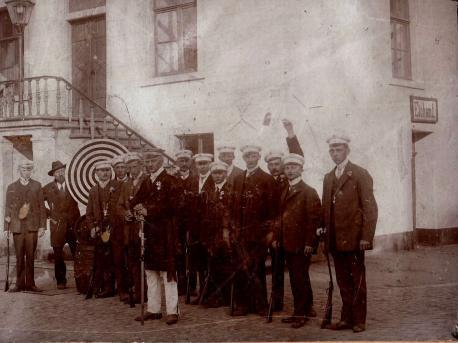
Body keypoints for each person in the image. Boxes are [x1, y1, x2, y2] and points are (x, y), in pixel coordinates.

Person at [321, 134, 378, 333]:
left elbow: (370, 208)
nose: (335, 154)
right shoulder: (328, 177)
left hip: (354, 239)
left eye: (339, 150)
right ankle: (346, 318)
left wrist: (366, 237)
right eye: (332, 150)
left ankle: (359, 320)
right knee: (342, 280)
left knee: (357, 280)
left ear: (347, 150)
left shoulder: (360, 174)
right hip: (335, 239)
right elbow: (325, 208)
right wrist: (324, 232)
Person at [130, 148, 180, 325]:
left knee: (167, 273)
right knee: (150, 272)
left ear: (160, 160)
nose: (150, 164)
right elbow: (135, 200)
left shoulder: (170, 180)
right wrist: (136, 207)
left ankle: (172, 311)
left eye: (152, 161)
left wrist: (148, 210)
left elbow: (173, 206)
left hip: (165, 232)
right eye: (147, 162)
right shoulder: (147, 181)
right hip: (149, 233)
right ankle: (154, 309)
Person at [271, 153, 321, 328]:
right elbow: (280, 218)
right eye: (288, 167)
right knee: (295, 277)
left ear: (301, 169)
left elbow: (313, 219)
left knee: (300, 277)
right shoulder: (286, 190)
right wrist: (277, 237)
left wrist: (310, 243)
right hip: (287, 242)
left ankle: (301, 313)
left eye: (294, 167)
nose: (290, 170)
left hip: (301, 244)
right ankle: (303, 310)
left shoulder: (308, 191)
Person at [230, 145, 275, 316]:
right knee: (241, 268)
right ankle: (243, 305)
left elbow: (272, 209)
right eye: (247, 156)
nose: (250, 159)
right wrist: (233, 229)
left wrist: (269, 232)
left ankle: (260, 305)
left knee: (257, 268)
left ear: (258, 157)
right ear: (244, 158)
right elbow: (233, 206)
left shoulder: (267, 179)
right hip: (240, 233)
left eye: (253, 155)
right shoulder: (238, 178)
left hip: (258, 234)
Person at [4, 159, 46, 292]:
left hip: (31, 227)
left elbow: (41, 207)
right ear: (19, 170)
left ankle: (30, 284)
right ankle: (19, 284)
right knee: (19, 256)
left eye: (29, 169)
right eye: (23, 169)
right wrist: (6, 227)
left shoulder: (37, 186)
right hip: (17, 227)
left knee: (30, 256)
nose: (26, 172)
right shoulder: (11, 187)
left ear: (32, 171)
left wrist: (42, 226)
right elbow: (8, 208)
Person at [197, 161, 232, 307]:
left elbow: (230, 213)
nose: (217, 176)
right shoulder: (209, 192)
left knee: (226, 266)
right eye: (215, 173)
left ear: (225, 174)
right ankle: (215, 296)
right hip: (211, 234)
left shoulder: (230, 189)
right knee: (213, 265)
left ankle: (226, 297)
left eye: (220, 173)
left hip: (225, 234)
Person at [43, 161, 81, 289]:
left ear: (65, 171)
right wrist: (49, 214)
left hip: (73, 224)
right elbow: (38, 203)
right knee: (58, 254)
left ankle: (81, 279)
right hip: (57, 225)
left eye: (62, 171)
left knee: (77, 252)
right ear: (53, 174)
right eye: (57, 172)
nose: (60, 174)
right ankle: (61, 280)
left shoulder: (74, 186)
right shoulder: (48, 188)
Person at [117, 152, 148, 304]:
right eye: (129, 167)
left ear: (141, 166)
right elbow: (120, 204)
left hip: (144, 227)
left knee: (146, 261)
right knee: (133, 261)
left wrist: (143, 209)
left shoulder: (147, 181)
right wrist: (125, 213)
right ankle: (138, 291)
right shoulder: (126, 184)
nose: (132, 169)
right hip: (130, 229)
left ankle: (147, 292)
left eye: (135, 166)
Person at [85, 160, 119, 298]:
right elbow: (89, 213)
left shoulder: (116, 187)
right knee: (101, 259)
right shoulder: (93, 190)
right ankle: (103, 287)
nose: (105, 173)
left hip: (114, 229)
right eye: (101, 171)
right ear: (96, 173)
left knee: (114, 258)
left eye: (107, 170)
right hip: (99, 230)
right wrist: (92, 227)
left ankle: (114, 287)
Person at [188, 152, 215, 304]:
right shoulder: (193, 180)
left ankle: (211, 294)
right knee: (199, 263)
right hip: (196, 228)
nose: (202, 166)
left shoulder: (214, 179)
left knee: (210, 261)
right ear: (196, 166)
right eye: (199, 164)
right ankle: (202, 292)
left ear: (209, 164)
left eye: (205, 163)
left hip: (209, 228)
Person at [110, 155, 130, 302]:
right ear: (114, 169)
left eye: (123, 167)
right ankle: (122, 289)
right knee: (118, 259)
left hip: (130, 227)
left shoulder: (132, 183)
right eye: (117, 167)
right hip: (116, 228)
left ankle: (134, 287)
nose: (120, 170)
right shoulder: (110, 185)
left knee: (132, 258)